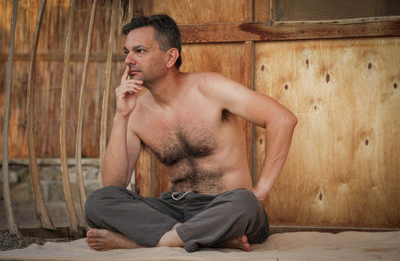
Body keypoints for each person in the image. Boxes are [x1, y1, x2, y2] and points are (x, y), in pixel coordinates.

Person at [84, 14, 297, 252]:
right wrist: (121, 116)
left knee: (245, 202)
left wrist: (260, 193)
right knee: (98, 202)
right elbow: (114, 184)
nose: (128, 60)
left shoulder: (209, 89)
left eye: (140, 51)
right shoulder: (136, 113)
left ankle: (153, 241)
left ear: (170, 57)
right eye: (127, 52)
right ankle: (205, 237)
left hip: (225, 208)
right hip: (174, 209)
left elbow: (283, 119)